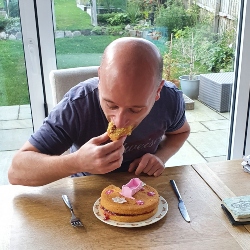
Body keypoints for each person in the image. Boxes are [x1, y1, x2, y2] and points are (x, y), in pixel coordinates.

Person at [8, 37, 190, 186]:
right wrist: (76, 162)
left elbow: (181, 132)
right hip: (88, 189)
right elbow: (16, 172)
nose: (119, 121)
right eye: (111, 105)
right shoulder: (78, 104)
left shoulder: (170, 98)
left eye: (135, 109)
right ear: (100, 78)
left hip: (143, 185)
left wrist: (160, 157)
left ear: (158, 91)